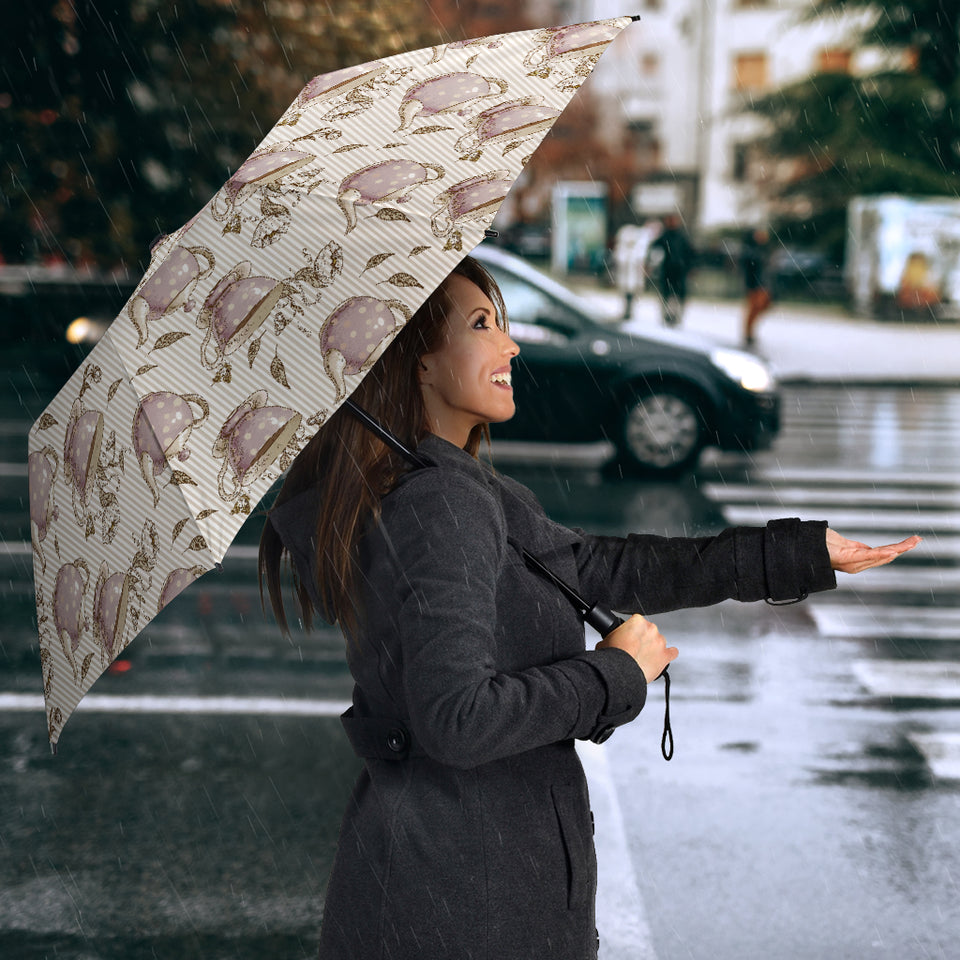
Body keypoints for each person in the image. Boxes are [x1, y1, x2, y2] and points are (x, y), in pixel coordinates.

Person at [259, 255, 919, 960]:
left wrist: (795, 553)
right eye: (482, 325)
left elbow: (604, 568)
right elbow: (456, 719)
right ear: (417, 362)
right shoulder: (439, 504)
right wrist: (613, 674)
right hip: (466, 903)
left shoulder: (453, 489)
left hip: (455, 884)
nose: (510, 345)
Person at [648, 213, 695, 327]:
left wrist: (690, 267)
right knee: (667, 294)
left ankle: (675, 316)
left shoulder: (681, 237)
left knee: (677, 295)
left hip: (679, 271)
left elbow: (690, 253)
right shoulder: (665, 236)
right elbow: (654, 249)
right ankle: (667, 315)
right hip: (668, 270)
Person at [741, 226, 773, 347]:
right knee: (754, 308)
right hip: (755, 284)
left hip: (763, 283)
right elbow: (750, 265)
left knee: (762, 306)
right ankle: (748, 333)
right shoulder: (751, 250)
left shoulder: (763, 249)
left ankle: (750, 331)